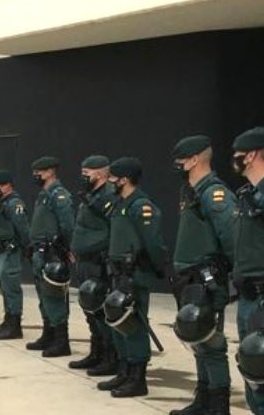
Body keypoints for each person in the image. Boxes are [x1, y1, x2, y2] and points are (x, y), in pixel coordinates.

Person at [166, 136, 237, 415]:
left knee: (211, 342)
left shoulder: (214, 194)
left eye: (181, 160)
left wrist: (232, 275)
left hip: (206, 280)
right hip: (189, 279)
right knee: (196, 337)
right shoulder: (191, 191)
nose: (177, 165)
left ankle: (218, 405)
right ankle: (203, 398)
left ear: (195, 159)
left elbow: (232, 238)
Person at [96, 157, 166, 399]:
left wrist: (157, 267)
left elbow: (153, 243)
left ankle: (138, 378)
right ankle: (124, 370)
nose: (110, 182)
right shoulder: (119, 204)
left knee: (134, 325)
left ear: (124, 179)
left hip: (134, 274)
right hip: (117, 274)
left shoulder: (140, 205)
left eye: (113, 178)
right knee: (117, 321)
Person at [69, 156, 120, 377]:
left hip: (98, 262)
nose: (83, 177)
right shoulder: (90, 195)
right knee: (89, 309)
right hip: (84, 259)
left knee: (100, 310)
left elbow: (114, 228)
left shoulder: (108, 195)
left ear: (100, 174)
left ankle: (111, 357)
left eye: (87, 173)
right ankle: (96, 351)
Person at [230, 127, 264, 415]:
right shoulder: (249, 195)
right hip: (249, 300)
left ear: (252, 155)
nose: (235, 159)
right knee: (253, 373)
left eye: (238, 155)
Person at [26, 156, 75, 357]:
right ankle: (49, 334)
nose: (36, 175)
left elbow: (67, 225)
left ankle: (61, 341)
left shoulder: (59, 195)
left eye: (40, 172)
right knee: (43, 296)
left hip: (53, 253)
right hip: (40, 253)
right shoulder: (43, 195)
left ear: (50, 172)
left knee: (54, 297)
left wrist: (68, 249)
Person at [0, 171, 29, 340]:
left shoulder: (14, 203)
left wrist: (26, 246)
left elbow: (23, 229)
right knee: (5, 287)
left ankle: (15, 324)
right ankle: (8, 319)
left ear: (7, 186)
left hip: (11, 251)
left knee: (11, 288)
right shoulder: (2, 202)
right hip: (2, 251)